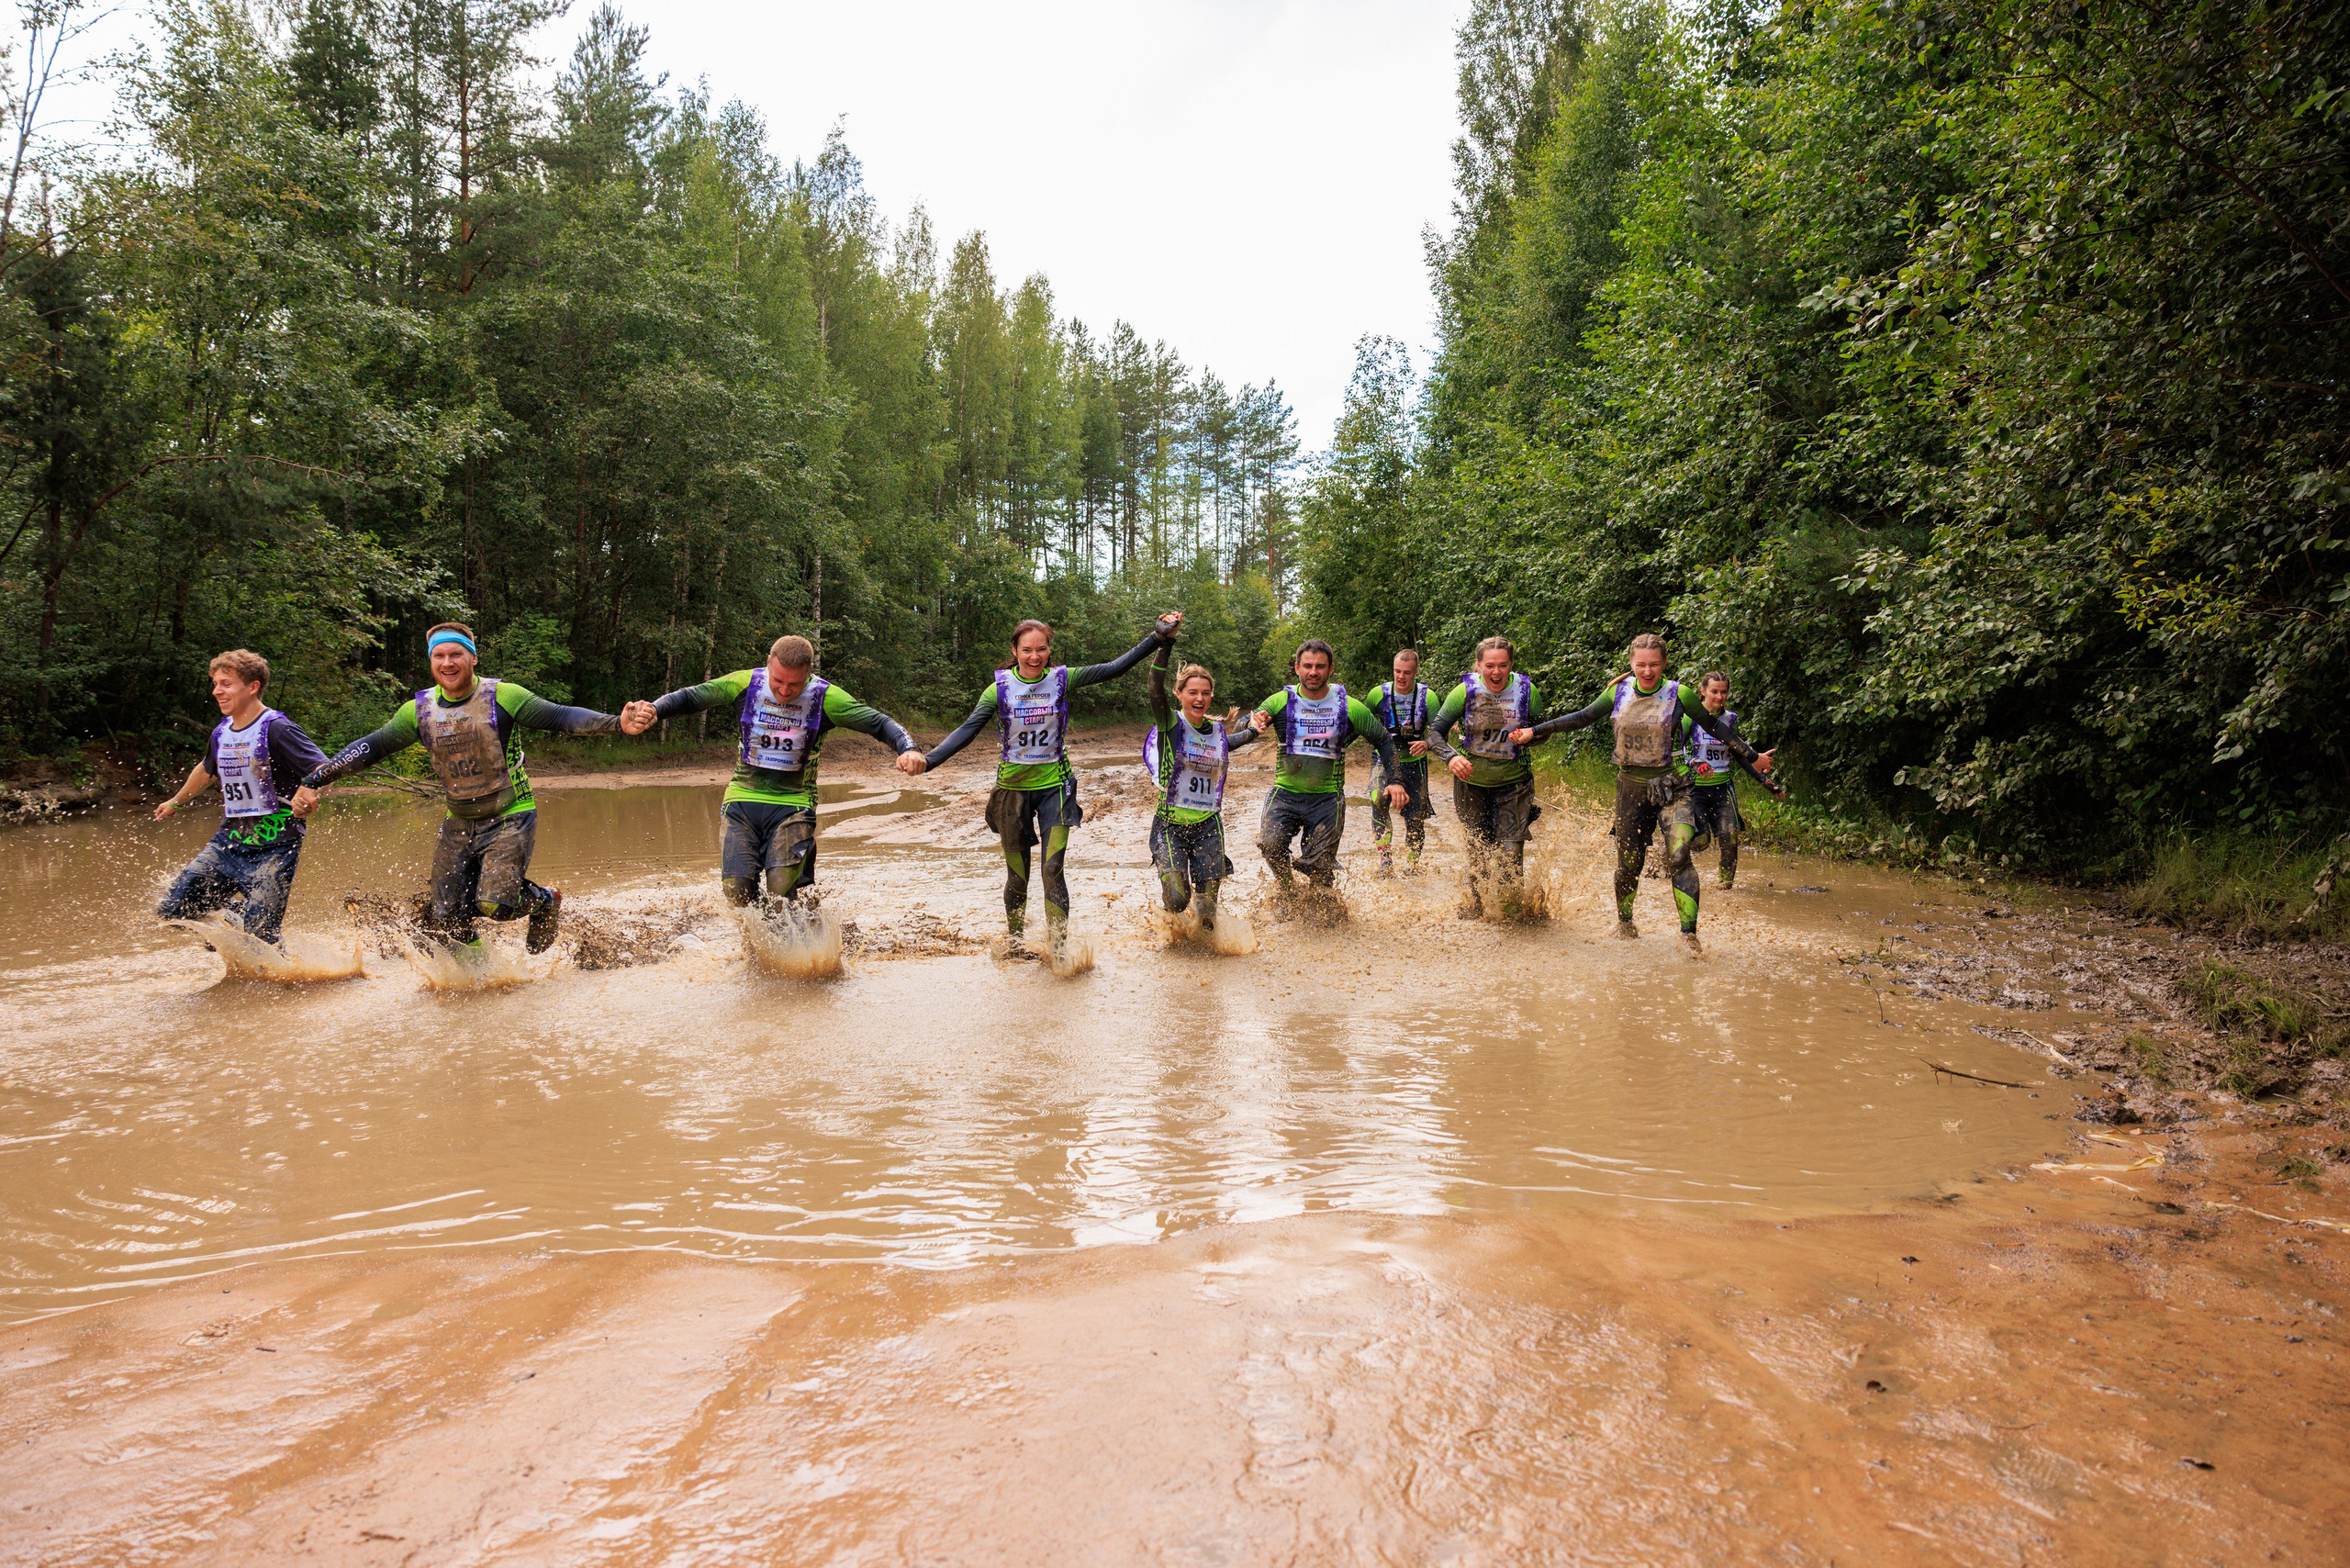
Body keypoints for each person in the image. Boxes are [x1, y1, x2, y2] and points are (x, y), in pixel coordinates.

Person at [291, 622, 649, 953]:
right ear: (431, 661)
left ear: (472, 657)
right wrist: (314, 780)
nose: (447, 663)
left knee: (493, 904)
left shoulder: (504, 696)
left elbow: (560, 716)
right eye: (439, 656)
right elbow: (373, 746)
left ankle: (545, 900)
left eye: (455, 654)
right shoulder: (418, 710)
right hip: (458, 821)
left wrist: (617, 723)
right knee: (446, 919)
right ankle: (480, 977)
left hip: (510, 815)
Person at [925, 610, 1181, 952]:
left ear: (1049, 651)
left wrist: (1158, 637)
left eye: (1041, 649)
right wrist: (928, 761)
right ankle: (1015, 943)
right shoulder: (998, 689)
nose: (1035, 657)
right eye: (1027, 650)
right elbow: (966, 731)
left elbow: (1113, 668)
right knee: (1018, 877)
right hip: (1012, 792)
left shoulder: (1062, 679)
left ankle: (1058, 949)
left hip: (1056, 787)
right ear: (1015, 651)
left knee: (1052, 868)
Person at [1512, 633, 1781, 949]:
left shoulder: (1680, 693)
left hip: (1674, 786)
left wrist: (1753, 756)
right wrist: (1534, 731)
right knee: (1629, 864)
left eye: (1654, 664)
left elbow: (1715, 727)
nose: (1648, 671)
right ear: (1631, 664)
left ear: (1664, 664)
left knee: (1679, 855)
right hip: (1631, 788)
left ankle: (1688, 935)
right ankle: (1625, 923)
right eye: (1641, 665)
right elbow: (1581, 717)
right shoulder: (1618, 693)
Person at [621, 634, 925, 912]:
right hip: (742, 800)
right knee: (736, 892)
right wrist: (656, 709)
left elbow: (879, 722)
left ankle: (793, 948)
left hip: (793, 805)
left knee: (780, 890)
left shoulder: (826, 698)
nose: (783, 690)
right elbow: (692, 697)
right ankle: (757, 952)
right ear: (768, 663)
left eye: (793, 685)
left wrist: (907, 747)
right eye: (778, 680)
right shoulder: (745, 683)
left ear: (808, 673)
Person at [152, 649, 330, 947]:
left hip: (274, 849)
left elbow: (322, 767)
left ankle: (287, 978)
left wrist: (309, 789)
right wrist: (175, 802)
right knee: (173, 910)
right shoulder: (222, 732)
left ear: (252, 687)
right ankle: (235, 920)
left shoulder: (277, 727)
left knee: (262, 939)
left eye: (226, 684)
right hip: (227, 845)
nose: (217, 691)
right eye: (216, 684)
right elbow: (206, 769)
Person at [1245, 639, 1408, 899]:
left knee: (1320, 870)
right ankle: (1287, 889)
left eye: (1320, 666)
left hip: (1327, 799)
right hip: (1285, 793)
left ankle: (1323, 904)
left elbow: (1384, 740)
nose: (1313, 672)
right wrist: (1252, 722)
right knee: (1270, 844)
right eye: (1307, 666)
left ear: (1330, 669)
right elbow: (1247, 723)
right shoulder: (1280, 700)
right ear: (1297, 668)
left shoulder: (1348, 705)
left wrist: (1395, 780)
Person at [1422, 635, 1549, 918]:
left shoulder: (1527, 691)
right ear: (1479, 665)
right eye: (1489, 665)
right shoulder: (1464, 691)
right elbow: (1434, 734)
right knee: (1477, 849)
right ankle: (1478, 910)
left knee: (1510, 852)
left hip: (1514, 783)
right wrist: (1451, 756)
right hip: (1471, 784)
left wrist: (1531, 736)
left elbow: (1544, 730)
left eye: (1502, 666)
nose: (1496, 673)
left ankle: (1513, 917)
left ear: (1510, 665)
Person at [1145, 642, 1262, 933]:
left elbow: (1229, 743)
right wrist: (1165, 642)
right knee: (1175, 899)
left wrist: (1254, 731)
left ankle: (1206, 958)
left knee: (1208, 913)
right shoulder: (1169, 722)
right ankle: (1170, 924)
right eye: (1193, 692)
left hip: (1208, 825)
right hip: (1171, 825)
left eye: (1206, 693)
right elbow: (1154, 687)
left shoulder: (1218, 732)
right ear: (1179, 694)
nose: (1200, 698)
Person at [1676, 670, 1769, 890]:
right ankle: (1671, 858)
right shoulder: (1689, 718)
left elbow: (1738, 753)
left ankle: (1725, 888)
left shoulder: (1730, 719)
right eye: (1714, 692)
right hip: (1694, 789)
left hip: (1722, 789)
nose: (1719, 697)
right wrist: (1695, 763)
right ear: (1702, 692)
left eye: (1724, 692)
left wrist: (1764, 780)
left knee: (1730, 839)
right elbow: (1677, 750)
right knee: (1700, 841)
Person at [1370, 648, 1436, 875]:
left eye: (1407, 672)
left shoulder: (1429, 696)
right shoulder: (1378, 694)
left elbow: (1439, 730)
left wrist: (1427, 743)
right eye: (1397, 671)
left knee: (1415, 816)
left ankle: (1413, 864)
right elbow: (1360, 724)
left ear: (1416, 672)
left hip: (1415, 761)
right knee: (1378, 799)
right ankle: (1385, 861)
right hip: (1383, 759)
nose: (1401, 677)